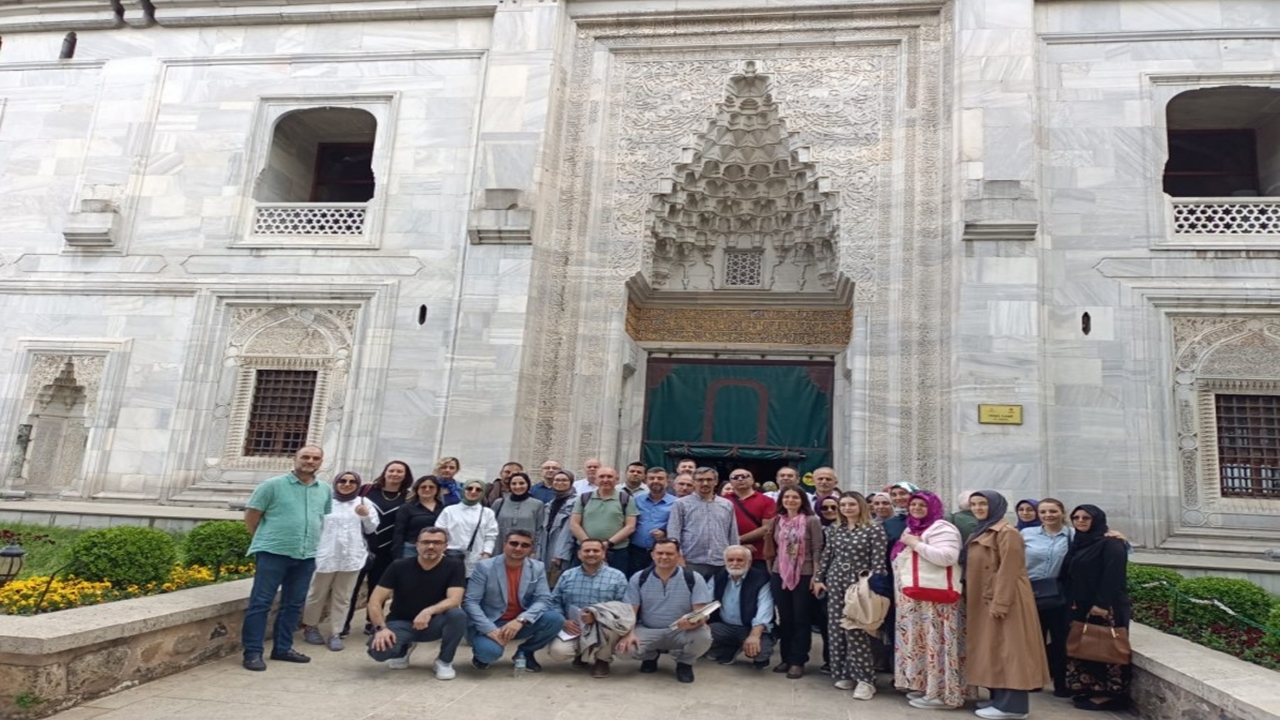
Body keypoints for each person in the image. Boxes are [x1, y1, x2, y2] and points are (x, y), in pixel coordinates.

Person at [241, 445, 330, 672]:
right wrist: (265, 539)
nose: (310, 461)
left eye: (316, 458)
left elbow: (323, 518)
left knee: (293, 604)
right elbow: (252, 516)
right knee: (261, 603)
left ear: (321, 462)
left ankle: (282, 648)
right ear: (295, 459)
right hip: (273, 553)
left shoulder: (325, 489)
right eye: (305, 457)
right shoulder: (272, 486)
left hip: (306, 555)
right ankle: (252, 652)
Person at [962, 491, 1050, 720]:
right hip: (987, 598)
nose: (978, 508)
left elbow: (1010, 569)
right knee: (995, 649)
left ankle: (1013, 706)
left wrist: (1000, 603)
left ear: (996, 506)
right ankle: (999, 699)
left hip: (1006, 600)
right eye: (974, 504)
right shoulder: (983, 530)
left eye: (983, 504)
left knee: (1011, 650)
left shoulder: (1007, 533)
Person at [892, 492, 966, 710]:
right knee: (922, 643)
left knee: (938, 643)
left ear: (933, 507)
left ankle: (943, 694)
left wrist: (915, 544)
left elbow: (948, 557)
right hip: (917, 600)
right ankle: (927, 686)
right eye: (913, 504)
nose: (916, 508)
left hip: (936, 601)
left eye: (922, 505)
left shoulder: (942, 527)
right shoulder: (912, 528)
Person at [812, 491, 888, 700]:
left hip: (859, 585)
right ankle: (844, 672)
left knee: (857, 630)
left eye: (851, 504)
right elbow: (828, 555)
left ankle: (865, 679)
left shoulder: (873, 529)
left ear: (860, 506)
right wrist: (819, 578)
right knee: (837, 629)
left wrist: (875, 587)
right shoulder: (835, 529)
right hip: (836, 582)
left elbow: (878, 561)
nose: (847, 508)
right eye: (843, 505)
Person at [366, 526, 467, 679]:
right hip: (401, 622)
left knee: (457, 615)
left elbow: (455, 599)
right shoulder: (399, 566)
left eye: (437, 543)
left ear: (445, 546)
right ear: (417, 544)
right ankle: (403, 648)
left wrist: (428, 611)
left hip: (433, 623)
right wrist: (381, 628)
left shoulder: (454, 566)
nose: (431, 546)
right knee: (379, 653)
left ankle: (444, 661)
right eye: (425, 542)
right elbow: (375, 600)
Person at [1061, 505, 1132, 712]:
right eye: (1076, 517)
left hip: (1105, 606)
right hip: (1082, 603)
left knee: (1106, 648)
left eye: (1086, 518)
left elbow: (1113, 575)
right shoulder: (1081, 542)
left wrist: (1101, 604)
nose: (1080, 521)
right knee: (1088, 646)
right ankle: (1092, 689)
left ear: (1097, 520)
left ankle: (1110, 695)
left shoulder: (1111, 543)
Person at [462, 529, 565, 670]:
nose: (518, 548)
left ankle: (525, 652)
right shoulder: (484, 567)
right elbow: (470, 602)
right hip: (492, 621)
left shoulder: (537, 567)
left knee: (555, 619)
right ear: (504, 545)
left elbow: (543, 598)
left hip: (520, 622)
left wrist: (521, 620)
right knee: (488, 653)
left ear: (531, 549)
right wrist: (489, 629)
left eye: (525, 545)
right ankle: (482, 654)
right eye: (514, 543)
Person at [614, 539, 713, 684]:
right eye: (660, 553)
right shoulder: (639, 577)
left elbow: (700, 612)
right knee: (623, 651)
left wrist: (695, 622)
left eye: (669, 553)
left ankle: (684, 663)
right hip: (648, 629)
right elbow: (631, 611)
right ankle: (650, 656)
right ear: (652, 555)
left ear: (678, 555)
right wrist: (629, 634)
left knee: (704, 637)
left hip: (680, 630)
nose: (664, 557)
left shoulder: (693, 578)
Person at [301, 470, 378, 651]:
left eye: (352, 482)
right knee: (316, 594)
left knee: (343, 597)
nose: (347, 484)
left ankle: (336, 632)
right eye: (343, 481)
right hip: (326, 554)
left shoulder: (363, 502)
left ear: (357, 485)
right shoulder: (325, 501)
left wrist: (365, 515)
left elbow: (371, 528)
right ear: (336, 483)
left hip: (351, 556)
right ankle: (310, 626)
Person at [546, 539, 631, 677]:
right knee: (558, 652)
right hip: (575, 626)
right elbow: (555, 601)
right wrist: (563, 621)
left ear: (603, 554)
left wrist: (597, 616)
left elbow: (623, 607)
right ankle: (581, 654)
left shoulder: (617, 576)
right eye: (587, 551)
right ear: (579, 554)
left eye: (596, 551)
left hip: (604, 625)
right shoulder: (567, 575)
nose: (591, 554)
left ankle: (602, 660)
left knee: (614, 627)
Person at [345, 459, 411, 637]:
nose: (395, 474)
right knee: (352, 587)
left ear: (405, 476)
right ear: (385, 472)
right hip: (362, 546)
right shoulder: (367, 491)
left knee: (378, 588)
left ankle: (372, 622)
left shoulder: (408, 497)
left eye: (399, 471)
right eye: (391, 470)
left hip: (388, 549)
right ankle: (344, 622)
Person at [769, 486, 824, 679]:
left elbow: (817, 548)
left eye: (795, 497)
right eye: (787, 497)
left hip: (805, 572)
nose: (790, 500)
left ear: (802, 501)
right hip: (780, 572)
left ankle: (798, 660)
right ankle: (786, 658)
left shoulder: (812, 520)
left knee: (801, 618)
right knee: (785, 618)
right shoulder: (778, 520)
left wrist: (816, 576)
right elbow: (775, 547)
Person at [1023, 497, 1073, 698]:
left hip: (1057, 594)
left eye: (1052, 511)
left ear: (1062, 512)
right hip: (1030, 592)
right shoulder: (1027, 534)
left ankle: (1061, 682)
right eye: (1043, 512)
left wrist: (1117, 536)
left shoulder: (1072, 535)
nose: (1048, 515)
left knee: (1060, 639)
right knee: (1034, 639)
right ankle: (1034, 680)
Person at [707, 545, 774, 669]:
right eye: (730, 560)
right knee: (701, 633)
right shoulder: (718, 577)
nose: (735, 564)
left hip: (751, 628)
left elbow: (765, 609)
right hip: (725, 627)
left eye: (740, 560)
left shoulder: (761, 578)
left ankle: (744, 646)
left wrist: (754, 636)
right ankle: (730, 647)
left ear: (749, 562)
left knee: (760, 655)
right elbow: (707, 603)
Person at [667, 467, 738, 578]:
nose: (705, 483)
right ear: (694, 482)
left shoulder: (727, 504)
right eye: (700, 480)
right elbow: (673, 532)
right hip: (691, 561)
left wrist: (735, 557)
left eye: (709, 480)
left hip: (721, 561)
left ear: (716, 481)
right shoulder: (681, 504)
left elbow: (733, 534)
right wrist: (678, 557)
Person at [569, 466, 638, 573]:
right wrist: (590, 545)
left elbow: (630, 526)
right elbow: (574, 524)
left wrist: (608, 544)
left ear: (617, 479)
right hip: (586, 550)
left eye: (609, 477)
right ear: (595, 480)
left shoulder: (626, 499)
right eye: (601, 477)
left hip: (616, 552)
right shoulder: (583, 498)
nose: (605, 480)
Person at [437, 479, 499, 575]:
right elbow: (439, 533)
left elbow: (491, 536)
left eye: (478, 490)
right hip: (450, 557)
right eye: (469, 488)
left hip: (476, 559)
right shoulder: (449, 511)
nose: (473, 492)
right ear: (463, 490)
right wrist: (441, 552)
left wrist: (486, 553)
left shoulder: (487, 513)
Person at [726, 468, 776, 571]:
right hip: (730, 556)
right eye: (735, 477)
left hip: (758, 555)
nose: (740, 479)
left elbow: (767, 528)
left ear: (753, 480)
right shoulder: (722, 501)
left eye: (744, 476)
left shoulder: (767, 501)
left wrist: (738, 540)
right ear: (730, 482)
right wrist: (737, 545)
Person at [630, 466, 676, 576]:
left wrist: (664, 533)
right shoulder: (636, 500)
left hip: (662, 553)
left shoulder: (676, 503)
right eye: (651, 478)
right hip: (636, 551)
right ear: (645, 481)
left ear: (667, 481)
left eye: (660, 478)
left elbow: (678, 526)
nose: (656, 481)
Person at [492, 472, 547, 558]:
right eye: (514, 484)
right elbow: (491, 528)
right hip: (500, 549)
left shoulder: (537, 504)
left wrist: (535, 551)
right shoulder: (499, 503)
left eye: (521, 483)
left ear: (528, 484)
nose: (517, 486)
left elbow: (539, 530)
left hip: (525, 550)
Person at [392, 475, 443, 558]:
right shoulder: (406, 508)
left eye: (431, 487)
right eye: (423, 487)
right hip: (411, 549)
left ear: (437, 489)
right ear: (417, 489)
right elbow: (398, 533)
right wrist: (397, 555)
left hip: (437, 550)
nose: (427, 489)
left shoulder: (444, 509)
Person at [541, 470, 578, 579]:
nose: (560, 483)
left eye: (564, 480)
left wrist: (560, 554)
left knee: (561, 579)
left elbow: (569, 531)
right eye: (557, 480)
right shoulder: (551, 503)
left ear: (571, 483)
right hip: (547, 548)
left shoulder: (576, 502)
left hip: (563, 552)